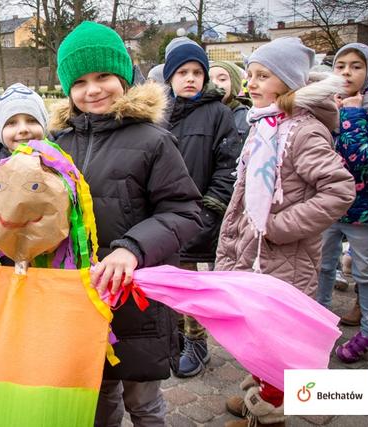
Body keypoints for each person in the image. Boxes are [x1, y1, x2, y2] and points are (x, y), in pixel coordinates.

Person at [50, 21, 203, 426]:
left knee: (143, 401)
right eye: (79, 81)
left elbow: (185, 212)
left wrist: (131, 247)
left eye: (103, 76)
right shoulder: (58, 145)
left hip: (136, 302)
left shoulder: (153, 140)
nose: (93, 89)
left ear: (125, 75)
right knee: (97, 398)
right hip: (79, 297)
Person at [215, 38, 355, 427]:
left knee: (278, 345)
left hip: (285, 257)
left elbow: (339, 190)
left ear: (289, 84)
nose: (251, 85)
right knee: (262, 336)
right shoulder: (267, 123)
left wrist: (279, 226)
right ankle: (259, 392)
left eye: (263, 76)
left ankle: (269, 415)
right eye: (252, 76)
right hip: (257, 253)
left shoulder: (302, 132)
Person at [161, 37, 242, 378]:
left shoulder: (218, 114)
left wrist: (209, 210)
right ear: (169, 78)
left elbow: (228, 167)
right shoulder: (158, 114)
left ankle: (197, 341)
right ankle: (176, 335)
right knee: (169, 282)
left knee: (193, 285)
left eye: (197, 72)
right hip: (162, 217)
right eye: (182, 72)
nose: (190, 78)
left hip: (198, 216)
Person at [317, 43, 368, 358]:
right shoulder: (325, 104)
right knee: (323, 266)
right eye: (341, 65)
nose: (346, 72)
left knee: (366, 271)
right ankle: (319, 321)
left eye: (356, 66)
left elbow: (366, 159)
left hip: (363, 208)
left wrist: (354, 113)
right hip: (326, 204)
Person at [209, 61, 253, 142]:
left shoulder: (243, 116)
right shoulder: (199, 112)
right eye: (209, 80)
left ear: (234, 84)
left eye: (222, 79)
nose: (214, 83)